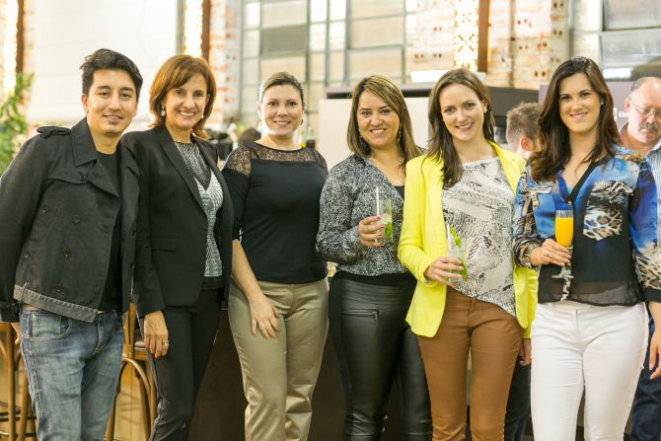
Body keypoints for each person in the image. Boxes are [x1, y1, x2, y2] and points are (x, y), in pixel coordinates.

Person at [512, 57, 661, 441]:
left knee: (603, 436)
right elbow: (518, 241)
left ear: (602, 99)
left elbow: (649, 250)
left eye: (584, 94)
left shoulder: (631, 167)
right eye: (565, 97)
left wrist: (660, 321)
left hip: (617, 321)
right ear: (555, 107)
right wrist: (537, 253)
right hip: (552, 320)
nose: (575, 105)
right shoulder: (536, 170)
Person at [0, 48, 142, 440]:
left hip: (110, 326)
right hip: (51, 317)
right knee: (61, 436)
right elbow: (5, 224)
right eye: (104, 92)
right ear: (85, 100)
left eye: (125, 94)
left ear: (136, 104)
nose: (115, 104)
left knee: (92, 435)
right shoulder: (47, 150)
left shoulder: (131, 167)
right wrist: (10, 310)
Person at [398, 68, 537, 441]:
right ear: (439, 116)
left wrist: (528, 326)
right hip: (444, 306)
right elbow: (407, 245)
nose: (460, 117)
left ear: (484, 105)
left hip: (502, 307)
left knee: (490, 427)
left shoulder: (516, 166)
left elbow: (526, 247)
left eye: (468, 105)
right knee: (447, 428)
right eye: (449, 110)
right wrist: (427, 264)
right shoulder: (423, 169)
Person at [122, 55, 234, 441]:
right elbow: (137, 233)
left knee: (189, 403)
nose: (190, 102)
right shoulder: (140, 146)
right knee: (177, 406)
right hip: (167, 299)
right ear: (163, 96)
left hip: (209, 293)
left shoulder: (208, 151)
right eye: (181, 92)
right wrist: (149, 308)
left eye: (199, 94)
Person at [317, 75, 432, 440]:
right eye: (365, 113)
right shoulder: (345, 174)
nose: (375, 120)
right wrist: (356, 236)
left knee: (421, 415)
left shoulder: (428, 167)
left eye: (384, 110)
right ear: (356, 120)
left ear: (400, 114)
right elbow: (325, 242)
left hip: (423, 298)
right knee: (367, 415)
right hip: (363, 299)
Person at [222, 72, 328, 441]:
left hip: (313, 294)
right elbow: (228, 236)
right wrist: (255, 298)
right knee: (267, 399)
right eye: (273, 104)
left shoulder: (316, 160)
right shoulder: (244, 159)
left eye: (290, 104)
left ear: (302, 110)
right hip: (259, 294)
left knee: (299, 400)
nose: (282, 112)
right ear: (259, 109)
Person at [621, 76, 661, 441]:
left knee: (653, 382)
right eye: (646, 109)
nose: (652, 119)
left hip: (657, 287)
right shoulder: (601, 149)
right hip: (611, 286)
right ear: (627, 105)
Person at [503, 102, 541, 441]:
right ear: (526, 144)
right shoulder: (514, 182)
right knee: (510, 412)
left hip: (536, 313)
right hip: (514, 314)